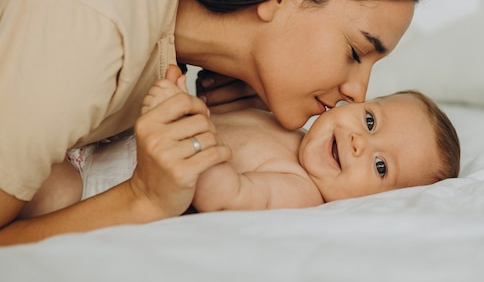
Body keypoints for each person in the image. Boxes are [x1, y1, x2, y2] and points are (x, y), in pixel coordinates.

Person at [0, 0, 427, 244]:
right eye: (356, 51)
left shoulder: (157, 19)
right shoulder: (97, 25)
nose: (359, 93)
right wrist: (141, 199)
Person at [20, 71, 460, 218]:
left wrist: (190, 124)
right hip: (100, 138)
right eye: (369, 120)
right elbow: (239, 124)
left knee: (31, 180)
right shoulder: (291, 128)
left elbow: (223, 196)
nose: (360, 143)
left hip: (94, 184)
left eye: (382, 168)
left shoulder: (300, 190)